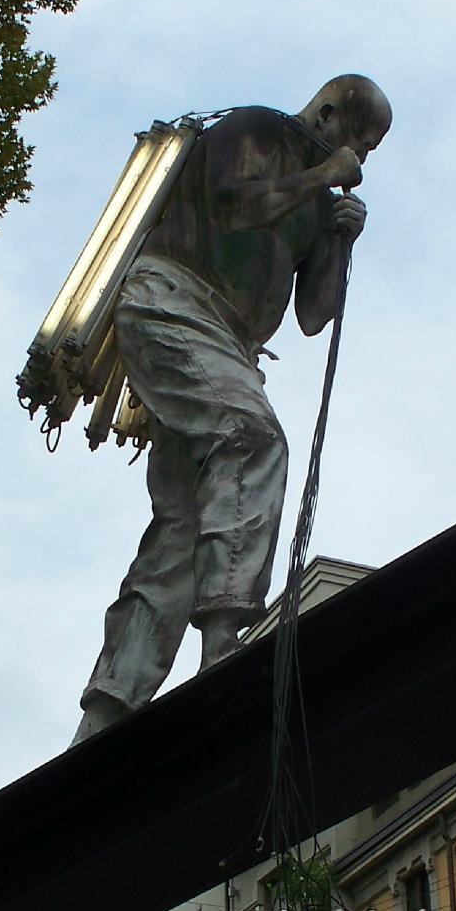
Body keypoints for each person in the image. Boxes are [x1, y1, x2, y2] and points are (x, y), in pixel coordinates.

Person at [73, 74, 391, 743]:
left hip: (232, 347)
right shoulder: (259, 129)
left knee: (182, 531)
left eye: (370, 150)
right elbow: (228, 206)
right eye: (358, 140)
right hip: (170, 302)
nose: (359, 159)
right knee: (252, 436)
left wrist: (339, 241)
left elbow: (312, 317)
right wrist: (320, 177)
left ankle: (107, 710)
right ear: (328, 112)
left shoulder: (316, 198)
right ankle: (225, 640)